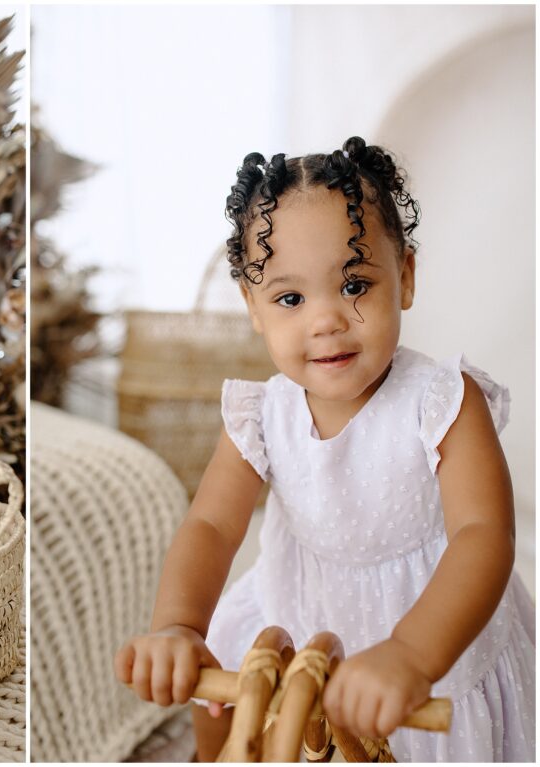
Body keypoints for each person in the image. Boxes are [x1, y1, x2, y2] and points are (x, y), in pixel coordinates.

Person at [114, 137, 535, 761]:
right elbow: (209, 524)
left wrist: (412, 654)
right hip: (298, 610)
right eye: (290, 298)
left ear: (406, 277)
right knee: (221, 709)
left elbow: (483, 534)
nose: (326, 320)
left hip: (429, 631)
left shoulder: (444, 401)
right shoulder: (263, 415)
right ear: (253, 308)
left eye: (355, 284)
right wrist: (179, 626)